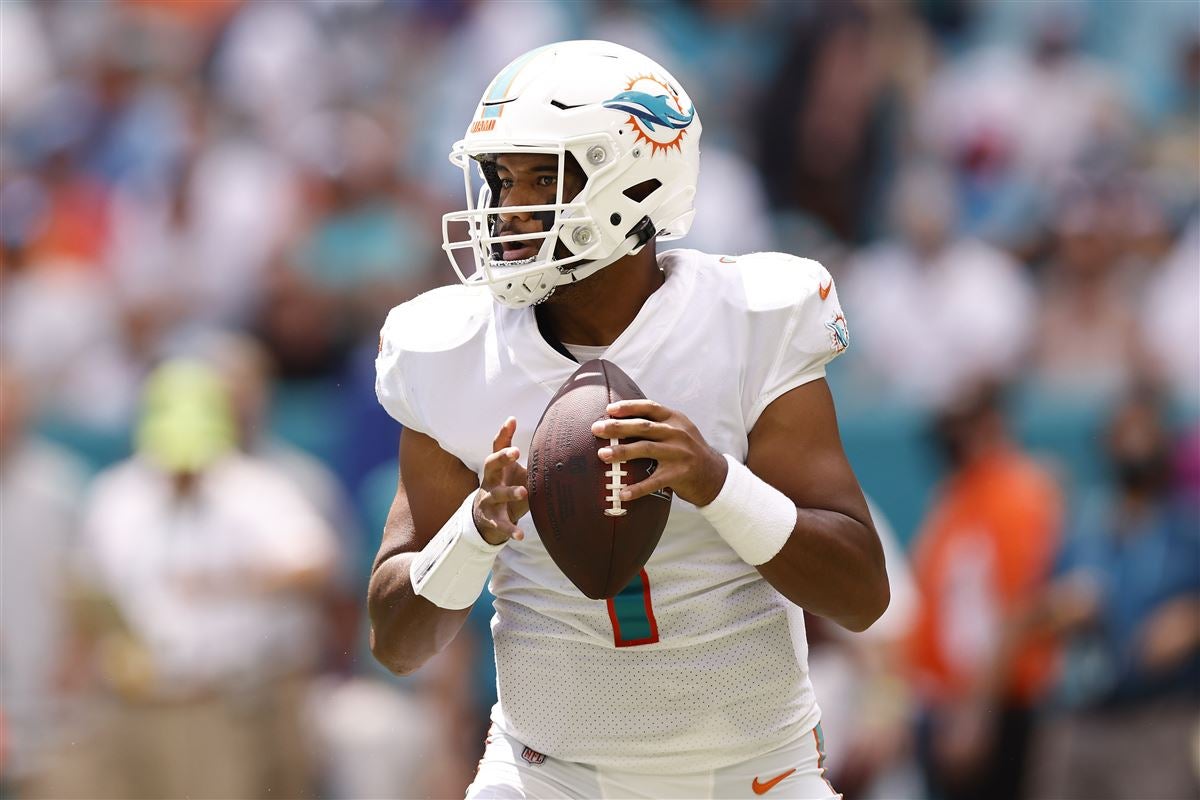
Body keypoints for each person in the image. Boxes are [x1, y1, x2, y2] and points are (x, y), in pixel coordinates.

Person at [369, 41, 889, 800]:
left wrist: (717, 482)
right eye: (500, 178)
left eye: (543, 176)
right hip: (548, 776)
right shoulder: (451, 350)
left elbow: (861, 595)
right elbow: (396, 642)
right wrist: (474, 530)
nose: (508, 207)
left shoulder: (747, 322)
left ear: (636, 174)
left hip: (753, 775)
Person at [906, 382, 1062, 800]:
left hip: (998, 708)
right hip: (949, 704)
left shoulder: (1017, 492)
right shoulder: (956, 496)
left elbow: (1020, 608)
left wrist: (977, 711)